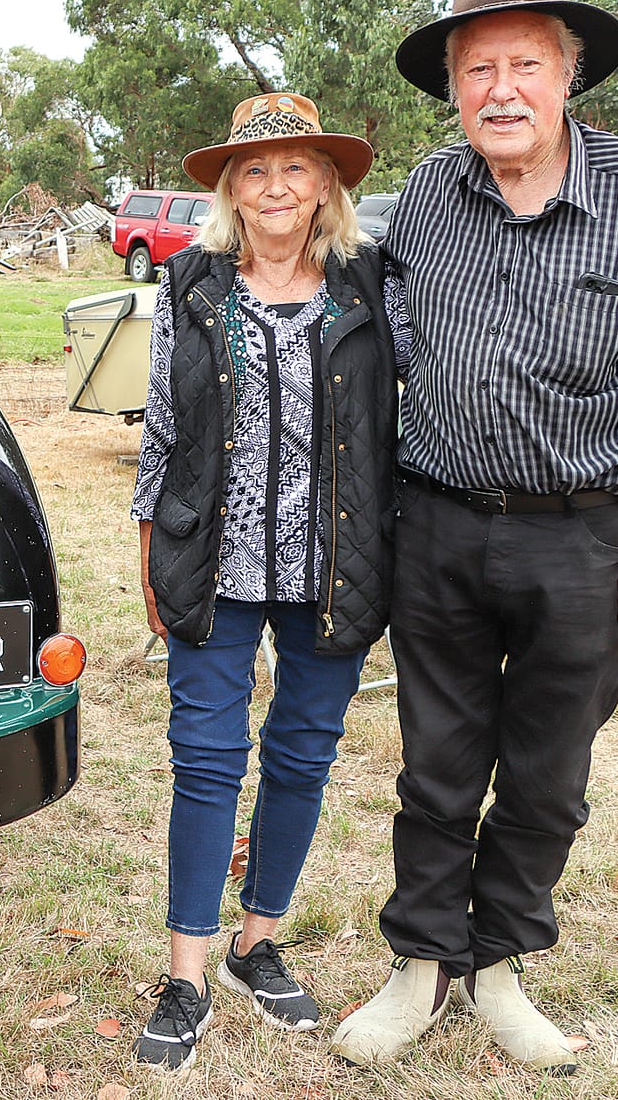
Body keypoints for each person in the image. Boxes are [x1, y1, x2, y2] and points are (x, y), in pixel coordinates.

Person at [330, 0, 618, 1073]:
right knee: (434, 764)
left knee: (547, 771)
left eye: (524, 64)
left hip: (584, 537)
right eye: (475, 69)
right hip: (439, 524)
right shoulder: (425, 197)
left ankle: (496, 960)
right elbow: (351, 319)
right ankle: (419, 962)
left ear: (567, 75)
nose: (499, 89)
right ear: (453, 89)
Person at [129, 93, 403, 1072]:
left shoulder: (368, 283)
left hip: (335, 561)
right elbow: (161, 422)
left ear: (325, 183)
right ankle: (186, 974)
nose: (275, 185)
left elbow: (410, 406)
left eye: (295, 167)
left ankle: (256, 941)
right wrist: (146, 549)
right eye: (254, 170)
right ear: (228, 190)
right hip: (214, 557)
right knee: (205, 758)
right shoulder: (192, 283)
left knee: (299, 754)